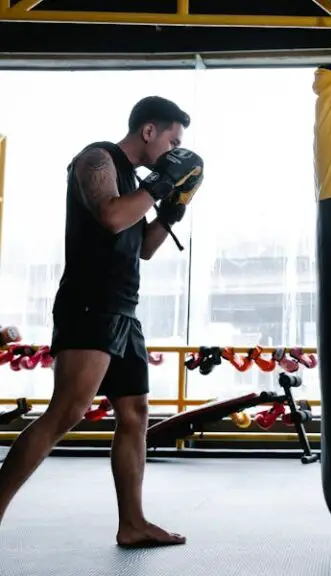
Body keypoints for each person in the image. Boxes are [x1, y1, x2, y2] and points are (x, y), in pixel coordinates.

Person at [0, 96, 204, 548]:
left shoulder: (135, 180)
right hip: (89, 303)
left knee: (134, 414)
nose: (174, 152)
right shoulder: (97, 158)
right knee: (65, 412)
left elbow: (144, 248)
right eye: (173, 140)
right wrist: (160, 185)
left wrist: (172, 208)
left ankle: (132, 523)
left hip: (123, 310)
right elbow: (112, 217)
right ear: (148, 131)